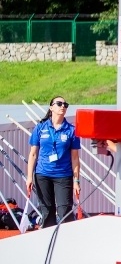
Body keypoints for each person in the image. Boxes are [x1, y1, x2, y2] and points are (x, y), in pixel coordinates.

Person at [25, 96, 81, 228]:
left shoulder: (71, 130)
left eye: (65, 104)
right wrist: (29, 177)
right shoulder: (40, 127)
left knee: (64, 211)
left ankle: (66, 242)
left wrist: (76, 181)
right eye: (59, 103)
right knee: (47, 211)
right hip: (43, 175)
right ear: (51, 108)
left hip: (63, 175)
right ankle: (48, 243)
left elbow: (75, 158)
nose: (63, 106)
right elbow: (33, 154)